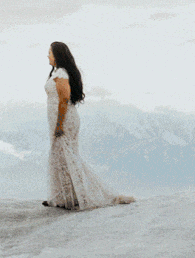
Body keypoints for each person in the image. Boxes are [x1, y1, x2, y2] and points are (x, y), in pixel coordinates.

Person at [44, 41, 134, 210]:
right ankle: (62, 196)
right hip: (58, 120)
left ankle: (76, 197)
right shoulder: (56, 72)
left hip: (64, 120)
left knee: (67, 157)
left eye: (50, 53)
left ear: (57, 55)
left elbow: (64, 98)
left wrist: (59, 124)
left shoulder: (62, 73)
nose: (47, 56)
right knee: (60, 158)